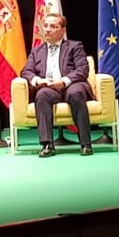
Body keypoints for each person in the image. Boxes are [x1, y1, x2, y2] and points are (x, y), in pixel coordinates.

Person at [20, 13, 93, 157]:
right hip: (49, 87)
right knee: (42, 94)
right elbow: (26, 71)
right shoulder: (37, 51)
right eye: (46, 26)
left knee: (75, 93)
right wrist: (38, 80)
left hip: (71, 84)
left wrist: (64, 81)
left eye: (53, 26)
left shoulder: (74, 46)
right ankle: (47, 144)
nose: (48, 29)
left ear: (62, 30)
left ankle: (85, 143)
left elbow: (82, 69)